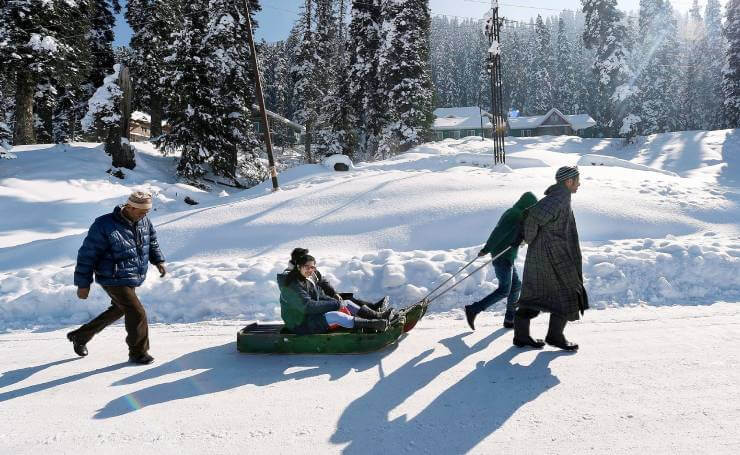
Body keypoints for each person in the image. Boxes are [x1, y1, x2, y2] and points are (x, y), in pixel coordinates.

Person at [66, 191, 166, 365]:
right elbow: (87, 255)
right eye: (142, 211)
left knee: (120, 309)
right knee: (136, 311)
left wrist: (158, 260)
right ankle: (138, 353)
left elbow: (152, 241)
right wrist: (83, 284)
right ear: (130, 207)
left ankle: (80, 336)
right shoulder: (104, 224)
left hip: (131, 275)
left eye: (147, 212)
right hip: (111, 276)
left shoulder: (143, 221)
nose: (145, 215)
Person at [513, 166, 588, 351]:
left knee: (537, 294)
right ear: (568, 182)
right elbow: (533, 218)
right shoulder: (557, 199)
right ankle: (554, 336)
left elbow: (535, 217)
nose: (579, 184)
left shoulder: (560, 197)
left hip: (549, 255)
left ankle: (523, 336)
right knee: (568, 291)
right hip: (551, 256)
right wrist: (528, 238)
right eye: (577, 180)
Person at [464, 192, 538, 331]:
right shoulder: (514, 214)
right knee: (504, 290)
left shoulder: (518, 214)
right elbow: (498, 232)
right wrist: (486, 249)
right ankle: (474, 309)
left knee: (516, 286)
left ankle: (510, 319)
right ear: (527, 205)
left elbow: (513, 236)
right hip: (502, 257)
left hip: (507, 256)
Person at [280, 248, 392, 334]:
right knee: (336, 316)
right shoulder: (292, 284)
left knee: (346, 302)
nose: (310, 267)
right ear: (298, 265)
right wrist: (334, 305)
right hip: (299, 323)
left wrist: (335, 299)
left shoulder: (307, 275)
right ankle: (373, 324)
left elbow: (319, 293)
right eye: (305, 263)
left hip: (309, 315)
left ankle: (377, 317)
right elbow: (307, 306)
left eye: (311, 265)